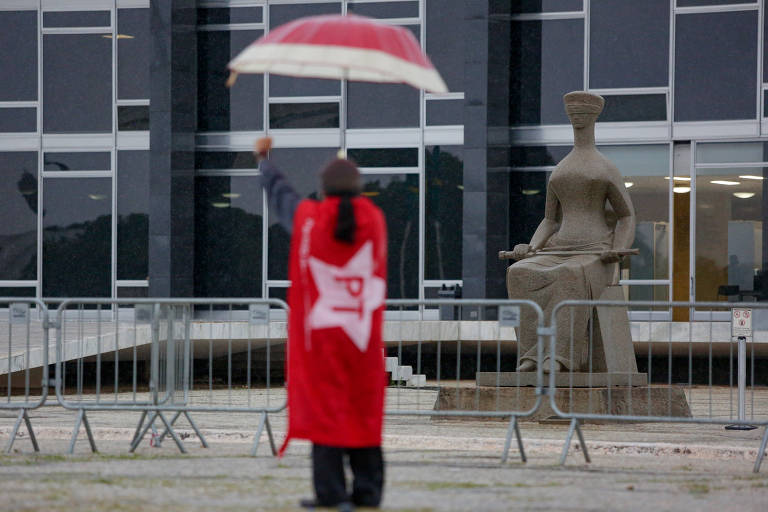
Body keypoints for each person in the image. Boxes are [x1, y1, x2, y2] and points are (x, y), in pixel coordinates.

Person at [254, 137, 388, 510]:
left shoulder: (311, 220)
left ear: (323, 189)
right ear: (359, 189)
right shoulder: (373, 220)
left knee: (325, 411)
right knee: (363, 412)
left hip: (321, 340)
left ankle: (331, 493)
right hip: (362, 338)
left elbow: (284, 201)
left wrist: (265, 161)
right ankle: (368, 492)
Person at [505, 91, 635, 373]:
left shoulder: (605, 167)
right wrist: (531, 247)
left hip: (595, 253)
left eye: (582, 113)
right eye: (572, 113)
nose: (577, 117)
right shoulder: (560, 170)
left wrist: (618, 253)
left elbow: (626, 216)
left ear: (593, 117)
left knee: (569, 274)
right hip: (558, 249)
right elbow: (549, 220)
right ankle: (531, 353)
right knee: (519, 272)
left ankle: (562, 356)